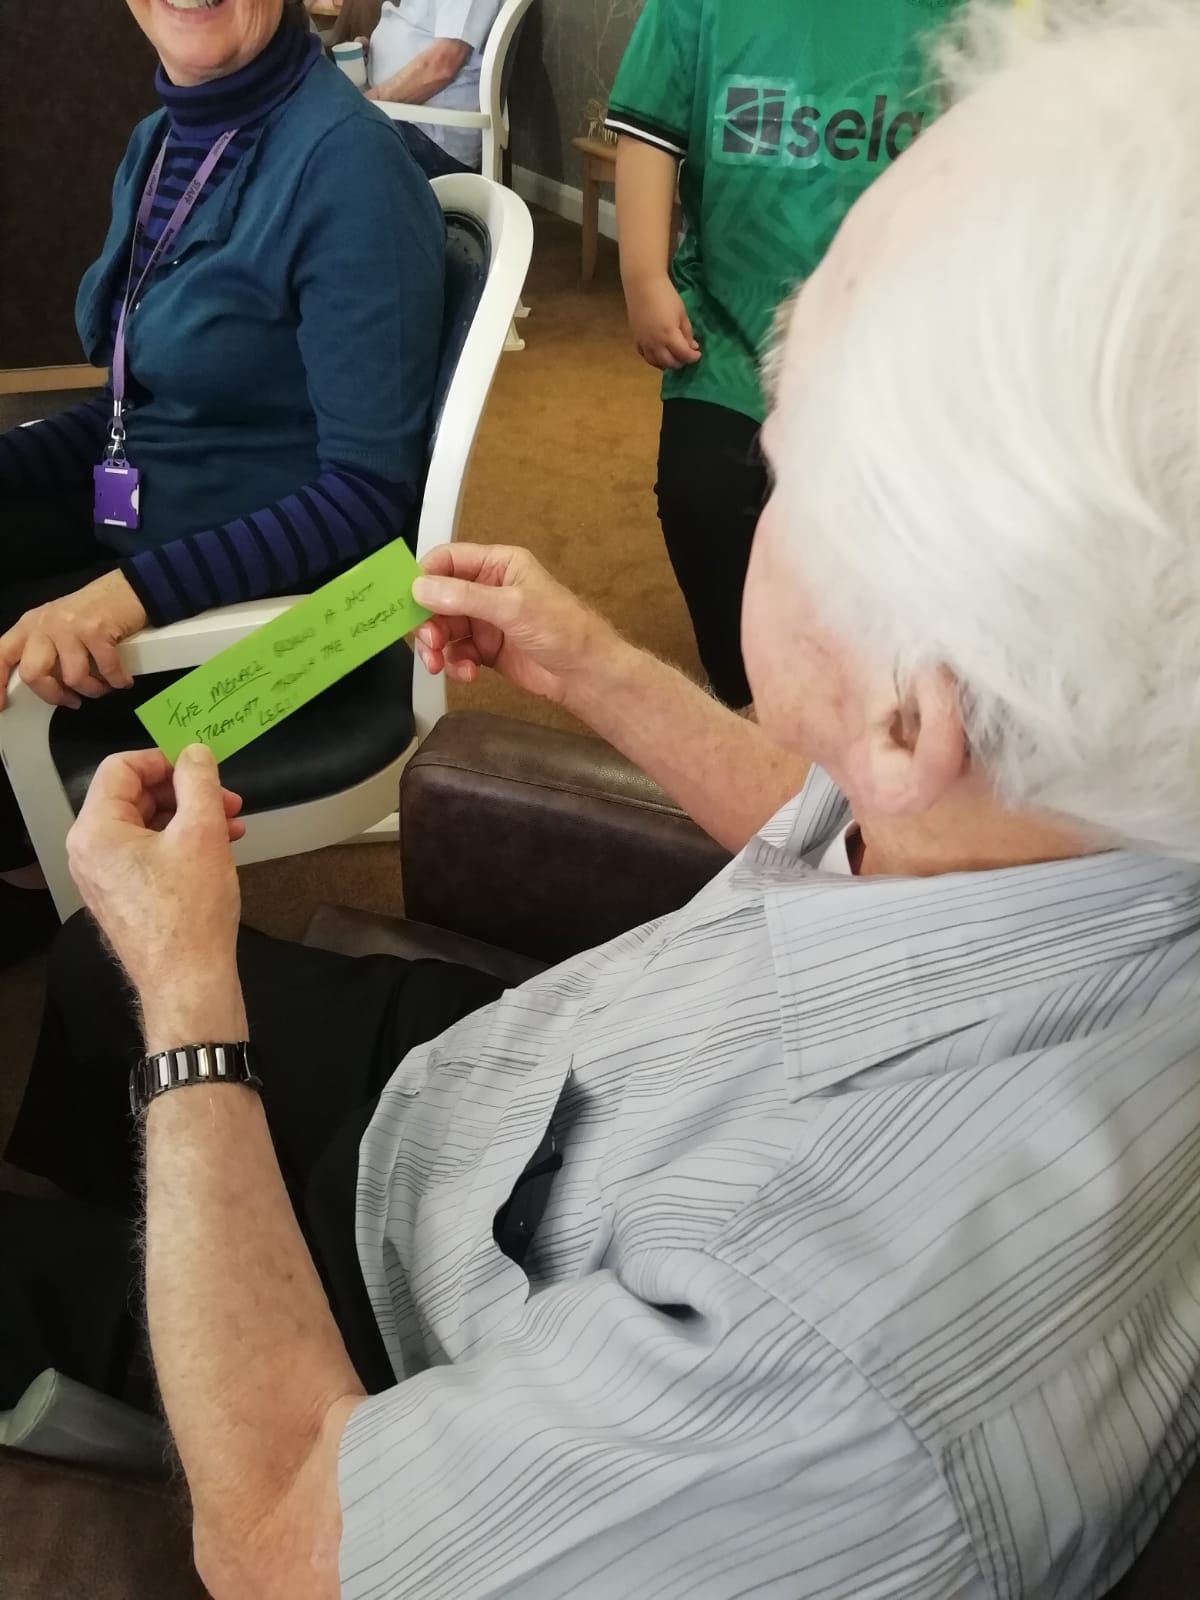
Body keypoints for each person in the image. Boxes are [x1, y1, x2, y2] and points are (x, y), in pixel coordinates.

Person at [6, 1, 1200, 1595]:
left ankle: (127, 1364)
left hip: (415, 1358)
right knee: (89, 979)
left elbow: (291, 1548)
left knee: (97, 1064)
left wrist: (194, 1009)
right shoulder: (1063, 817)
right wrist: (601, 668)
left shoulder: (815, 1363)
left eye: (788, 468)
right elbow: (861, 831)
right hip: (518, 1111)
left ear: (914, 699)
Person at [0, 0, 445, 970]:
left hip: (303, 640)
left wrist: (122, 598)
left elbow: (370, 499)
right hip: (168, 546)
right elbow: (146, 416)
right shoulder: (163, 140)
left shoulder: (350, 169)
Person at [607, 0, 965, 708]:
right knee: (702, 497)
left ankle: (864, 697)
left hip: (888, 332)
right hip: (731, 325)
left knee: (888, 529)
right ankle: (741, 686)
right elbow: (649, 134)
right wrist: (644, 277)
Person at [327, 0, 504, 179]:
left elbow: (441, 66)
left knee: (327, 142)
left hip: (429, 134)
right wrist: (374, 53)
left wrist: (363, 105)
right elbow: (420, 31)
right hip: (402, 116)